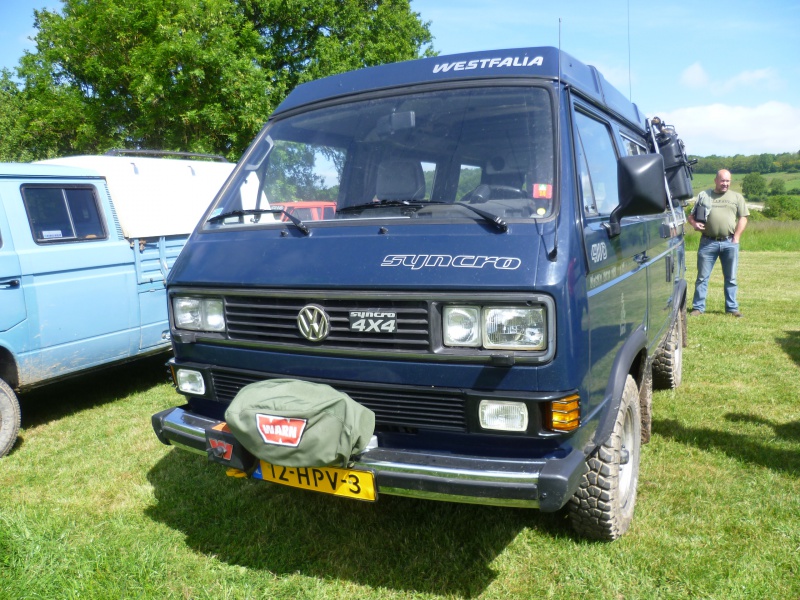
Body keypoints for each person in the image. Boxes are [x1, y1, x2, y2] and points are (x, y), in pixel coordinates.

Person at [687, 169, 749, 317]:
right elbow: (691, 216)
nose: (725, 184)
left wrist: (737, 237)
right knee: (702, 277)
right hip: (708, 242)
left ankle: (732, 308)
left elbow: (743, 217)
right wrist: (694, 224)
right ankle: (698, 308)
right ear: (715, 180)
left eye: (727, 181)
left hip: (729, 242)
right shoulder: (704, 195)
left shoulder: (736, 197)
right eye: (722, 180)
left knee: (731, 277)